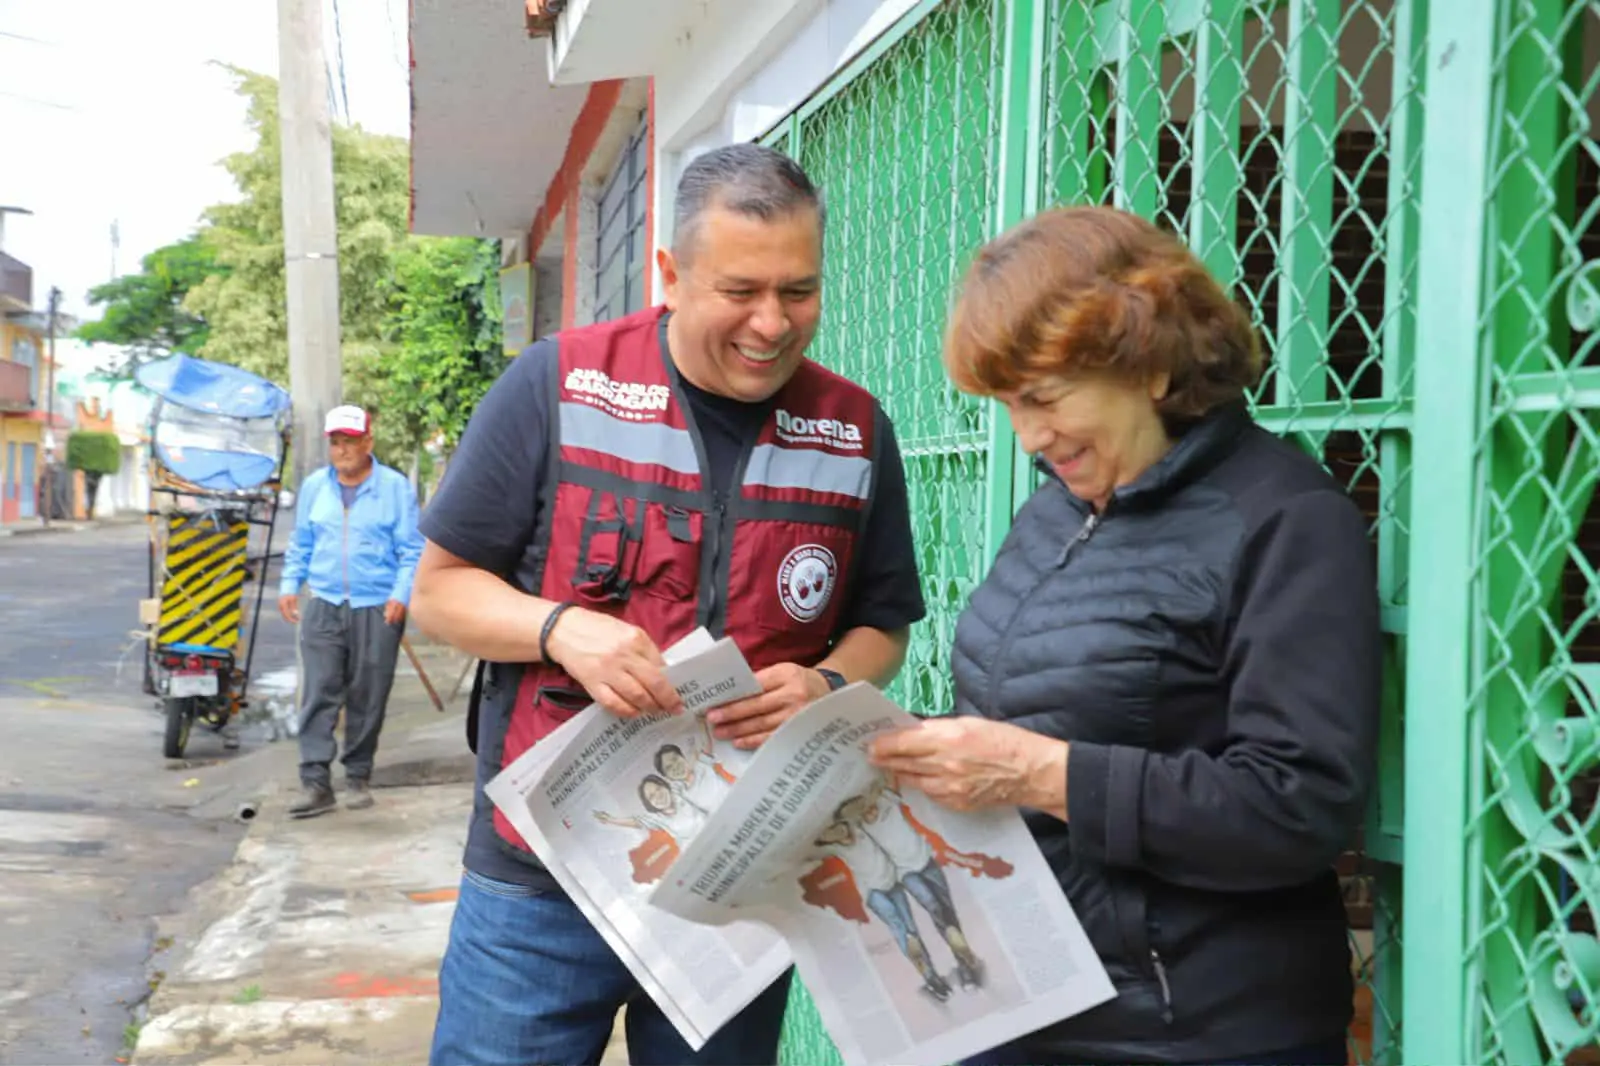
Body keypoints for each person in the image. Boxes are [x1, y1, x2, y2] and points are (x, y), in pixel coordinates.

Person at [412, 142, 927, 1066]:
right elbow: (440, 593)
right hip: (543, 882)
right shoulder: (559, 385)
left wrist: (826, 684)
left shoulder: (853, 430)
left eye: (799, 291)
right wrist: (560, 629)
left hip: (735, 881)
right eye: (740, 291)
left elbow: (882, 625)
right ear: (671, 273)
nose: (772, 323)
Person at [868, 205, 1382, 1066]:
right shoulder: (1052, 511)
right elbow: (1033, 711)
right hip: (1023, 996)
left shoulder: (1287, 519)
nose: (1028, 437)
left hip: (1195, 1029)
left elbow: (1298, 804)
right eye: (1008, 405)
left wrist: (1043, 775)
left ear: (1148, 364)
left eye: (1043, 398)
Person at [277, 405, 423, 819]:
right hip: (324, 603)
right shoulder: (314, 488)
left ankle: (358, 775)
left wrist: (401, 594)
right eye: (336, 442)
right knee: (319, 690)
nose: (342, 450)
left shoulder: (394, 488)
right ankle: (315, 782)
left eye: (351, 442)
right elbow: (302, 542)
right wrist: (290, 585)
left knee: (368, 693)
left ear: (368, 443)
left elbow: (412, 549)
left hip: (377, 607)